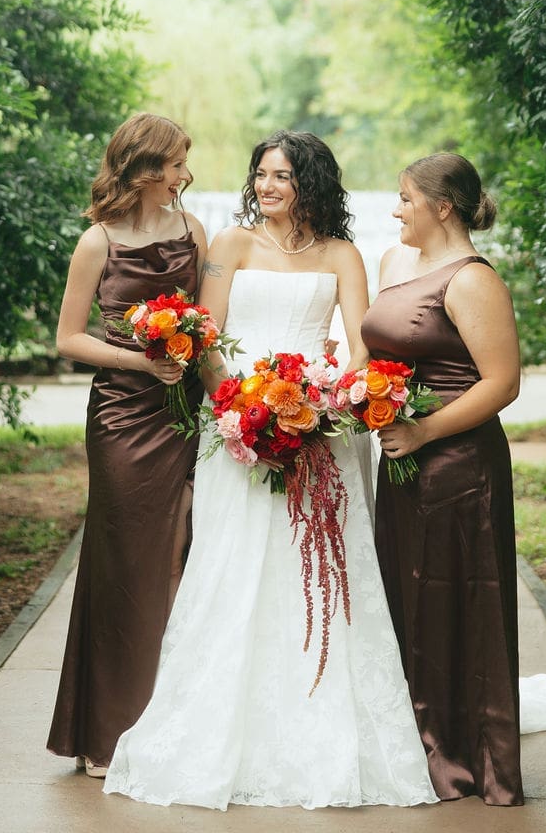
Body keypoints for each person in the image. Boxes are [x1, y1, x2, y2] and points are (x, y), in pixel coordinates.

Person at [103, 131, 437, 810]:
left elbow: (358, 349)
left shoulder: (344, 254)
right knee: (232, 566)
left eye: (282, 175)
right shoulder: (228, 247)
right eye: (260, 174)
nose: (268, 186)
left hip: (322, 431)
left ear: (311, 182)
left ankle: (325, 726)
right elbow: (207, 339)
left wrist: (314, 410)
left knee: (318, 573)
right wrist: (242, 405)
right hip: (234, 427)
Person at [46, 112, 207, 777]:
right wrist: (144, 361)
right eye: (173, 164)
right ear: (142, 168)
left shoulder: (193, 231)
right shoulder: (97, 241)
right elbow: (68, 338)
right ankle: (107, 732)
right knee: (121, 566)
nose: (183, 175)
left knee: (182, 560)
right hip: (120, 416)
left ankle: (176, 724)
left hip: (184, 412)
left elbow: (212, 317)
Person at [362, 151, 525, 805]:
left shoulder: (473, 280)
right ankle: (414, 745)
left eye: (405, 198)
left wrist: (425, 431)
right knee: (405, 598)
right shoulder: (393, 263)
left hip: (460, 468)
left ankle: (465, 759)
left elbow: (503, 383)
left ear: (442, 207)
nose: (395, 209)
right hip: (402, 465)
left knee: (459, 605)